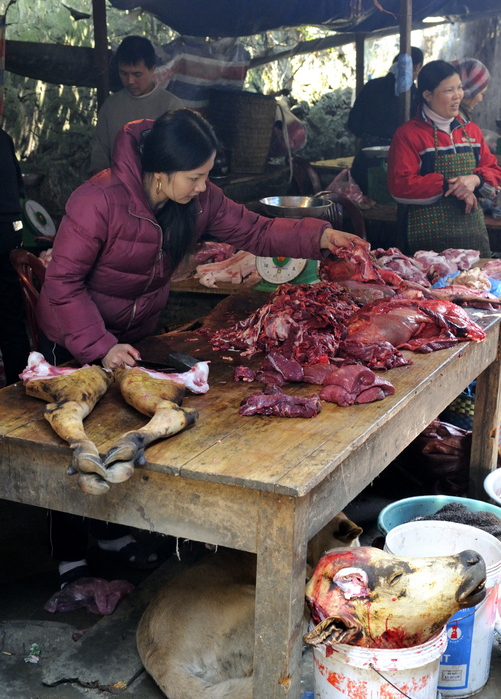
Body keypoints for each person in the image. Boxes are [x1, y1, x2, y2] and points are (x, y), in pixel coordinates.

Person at [38, 108, 368, 585]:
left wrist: (320, 236)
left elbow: (256, 230)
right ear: (161, 170)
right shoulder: (99, 199)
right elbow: (62, 283)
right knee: (70, 440)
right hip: (74, 336)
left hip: (132, 337)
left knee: (119, 431)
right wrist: (100, 345)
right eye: (195, 176)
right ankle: (70, 560)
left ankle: (112, 536)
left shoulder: (195, 200)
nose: (201, 186)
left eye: (206, 176)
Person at [387, 59, 501, 257]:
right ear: (428, 95)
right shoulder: (408, 135)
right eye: (449, 90)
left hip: (472, 238)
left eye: (459, 88)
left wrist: (475, 180)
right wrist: (451, 187)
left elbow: (494, 171)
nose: (458, 95)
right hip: (427, 245)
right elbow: (400, 186)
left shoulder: (471, 131)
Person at [89, 35, 183, 174]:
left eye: (137, 74)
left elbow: (180, 159)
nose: (130, 81)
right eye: (124, 73)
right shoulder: (110, 107)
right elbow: (100, 154)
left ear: (152, 69)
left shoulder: (171, 107)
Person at [347, 47, 424, 195]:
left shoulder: (371, 86)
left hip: (365, 161)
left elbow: (353, 124)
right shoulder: (414, 95)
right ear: (416, 67)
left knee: (363, 210)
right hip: (400, 163)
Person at [0, 128, 31, 385]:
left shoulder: (4, 139)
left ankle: (17, 383)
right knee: (10, 315)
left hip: (5, 232)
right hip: (8, 232)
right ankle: (17, 383)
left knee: (10, 313)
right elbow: (19, 191)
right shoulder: (5, 138)